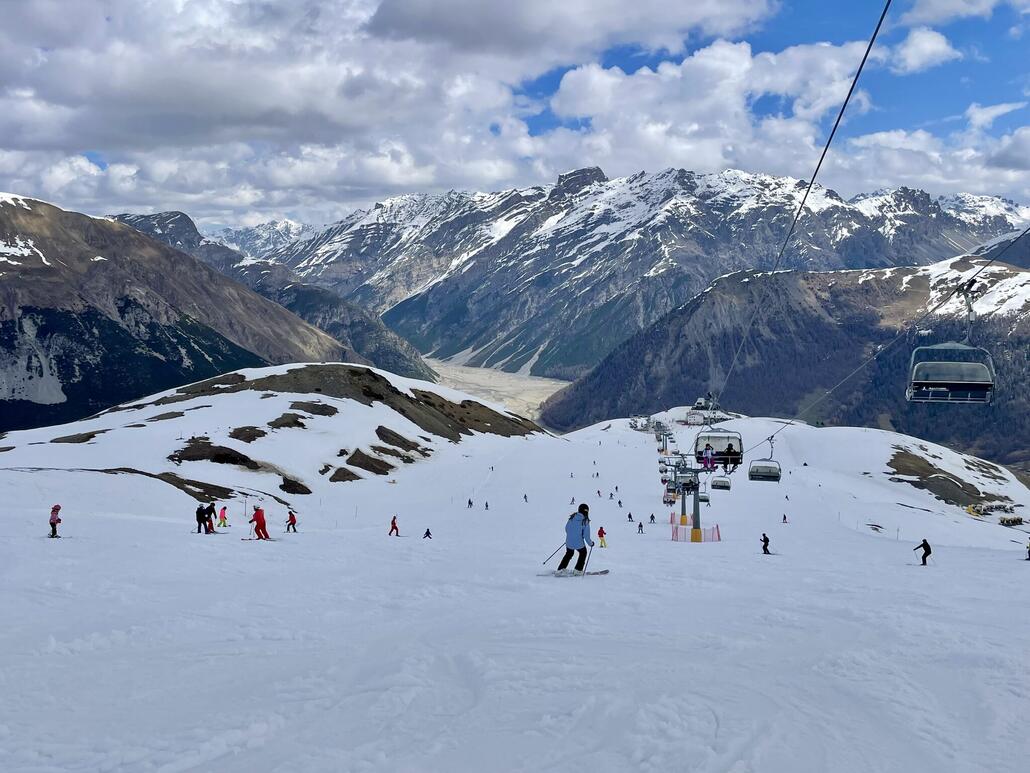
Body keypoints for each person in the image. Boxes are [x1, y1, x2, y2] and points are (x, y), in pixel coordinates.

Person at [556, 503, 594, 575]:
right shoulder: (585, 521)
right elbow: (586, 536)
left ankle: (560, 569)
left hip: (569, 542)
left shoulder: (572, 517)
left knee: (569, 553)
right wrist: (591, 544)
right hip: (579, 543)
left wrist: (572, 535)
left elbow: (567, 528)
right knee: (583, 553)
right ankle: (578, 570)